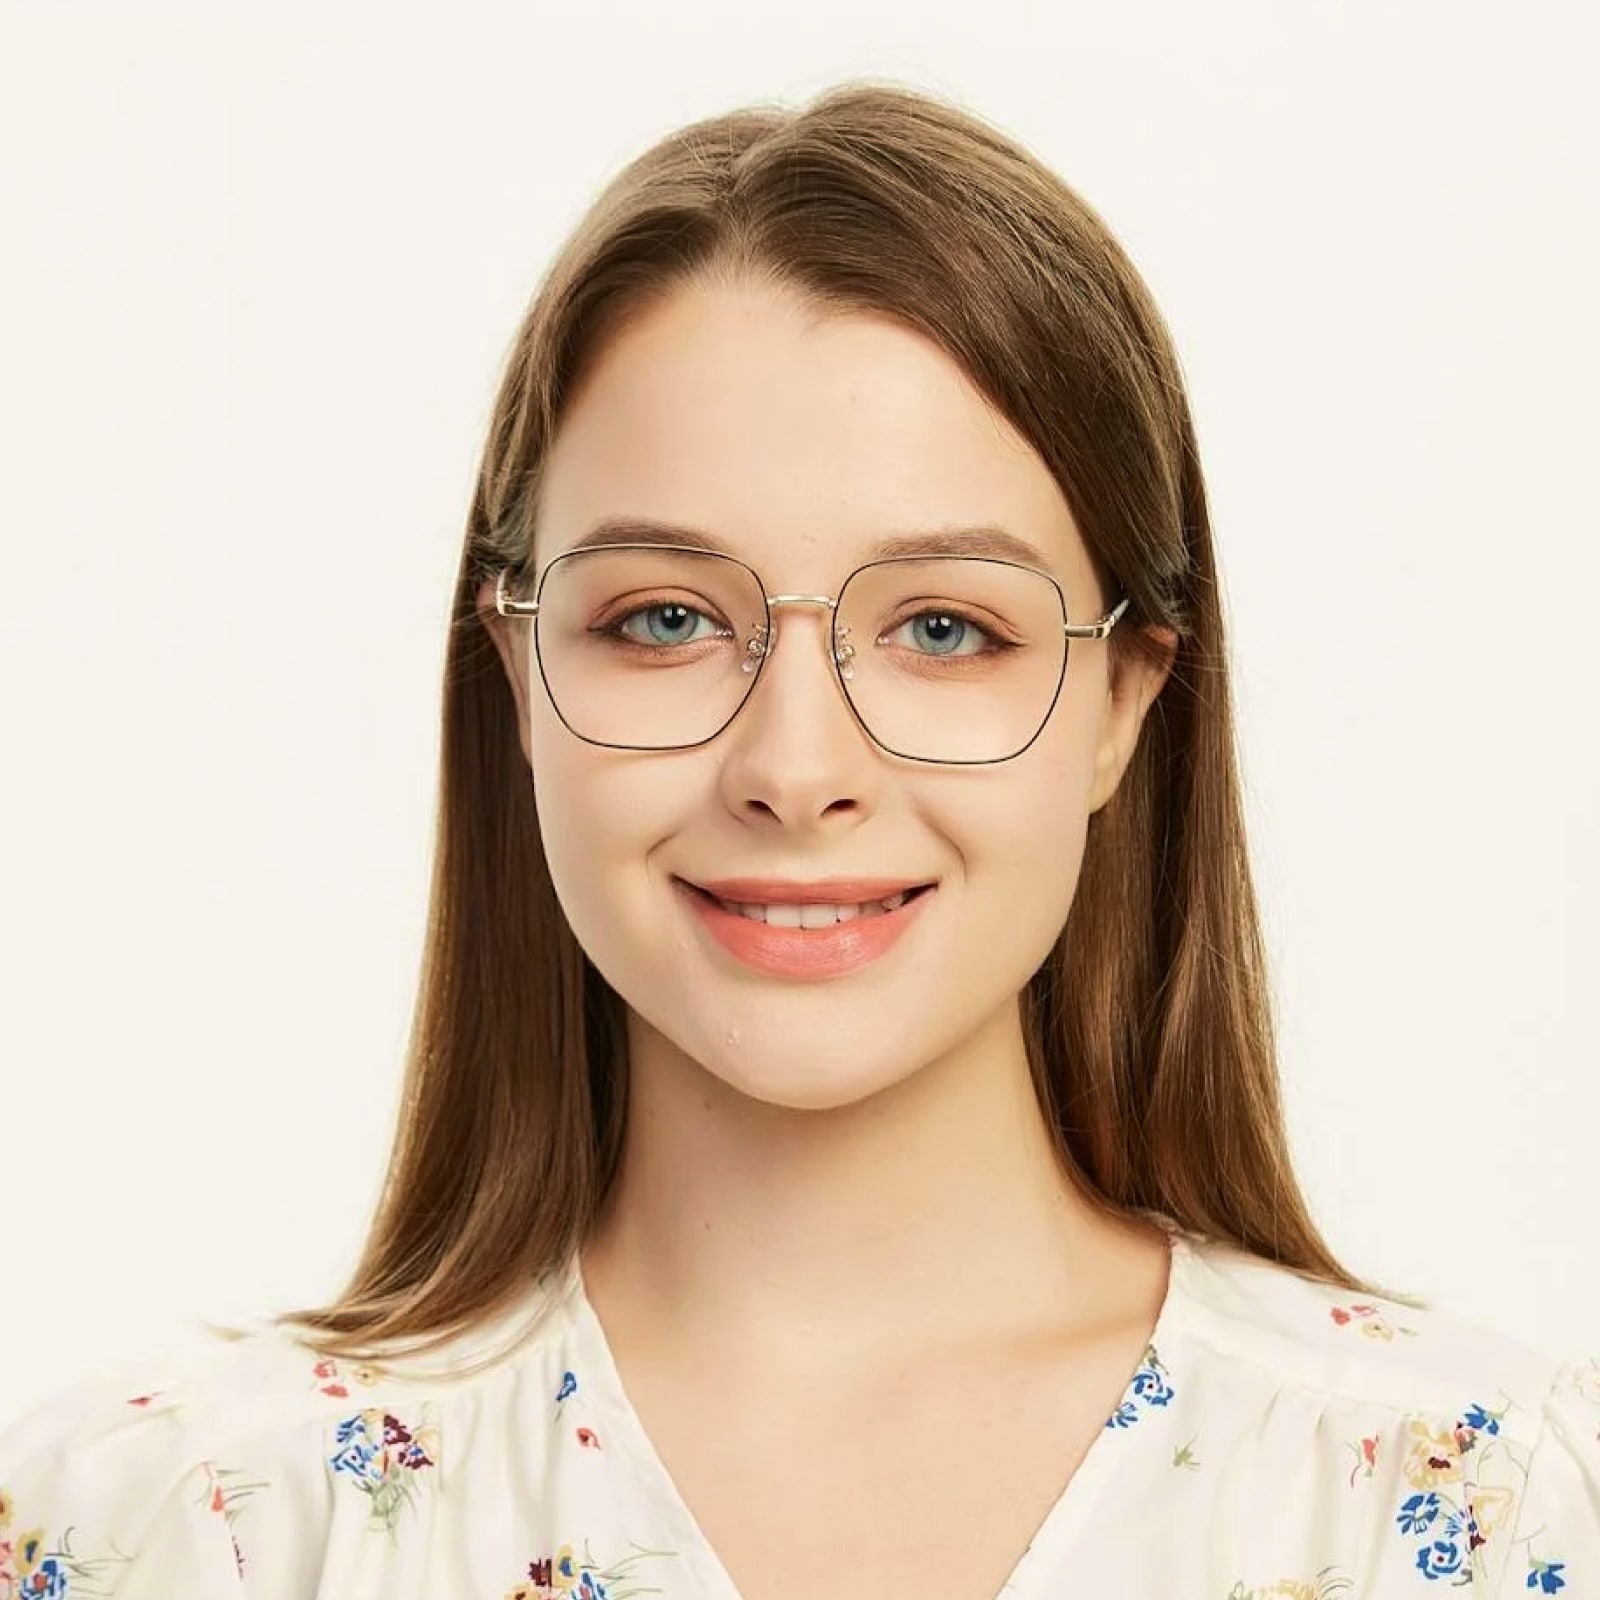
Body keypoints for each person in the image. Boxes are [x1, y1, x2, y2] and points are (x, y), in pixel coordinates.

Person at [2, 79, 1594, 1600]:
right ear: (518, 671)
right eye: (669, 617)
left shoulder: (1474, 1500)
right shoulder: (174, 1528)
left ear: (1123, 696)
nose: (796, 766)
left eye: (948, 629)